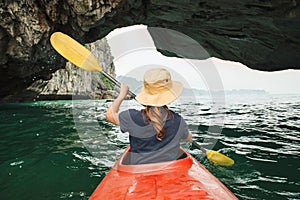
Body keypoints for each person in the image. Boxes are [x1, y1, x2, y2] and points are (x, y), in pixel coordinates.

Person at [106, 68, 192, 164]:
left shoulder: (132, 117)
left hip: (139, 173)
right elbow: (188, 138)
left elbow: (110, 115)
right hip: (169, 171)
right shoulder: (178, 121)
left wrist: (121, 95)